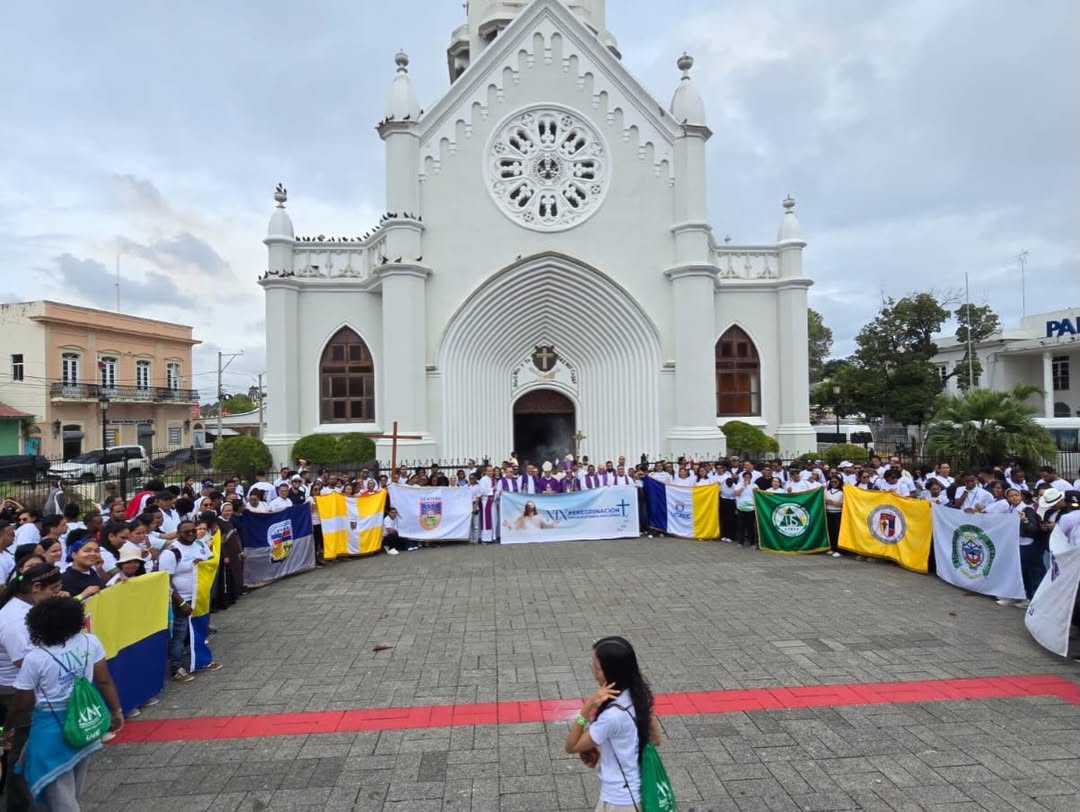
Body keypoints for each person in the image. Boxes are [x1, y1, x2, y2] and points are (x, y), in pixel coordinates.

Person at [10, 597, 124, 808]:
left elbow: (23, 702)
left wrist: (7, 727)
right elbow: (104, 680)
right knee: (74, 784)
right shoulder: (90, 642)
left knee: (59, 795)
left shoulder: (36, 658)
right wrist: (116, 711)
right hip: (85, 721)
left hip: (50, 731)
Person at [564, 636, 662, 811]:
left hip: (619, 800)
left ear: (611, 672)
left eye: (597, 668)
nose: (594, 673)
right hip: (637, 789)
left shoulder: (612, 716)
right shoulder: (639, 694)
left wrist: (586, 708)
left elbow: (571, 746)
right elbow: (656, 739)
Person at [0, 563, 63, 808]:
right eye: (54, 589)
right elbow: (26, 666)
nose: (57, 594)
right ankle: (21, 804)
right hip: (16, 693)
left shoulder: (28, 609)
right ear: (36, 587)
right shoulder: (15, 621)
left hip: (26, 689)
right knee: (23, 754)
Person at [156, 519, 216, 682]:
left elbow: (210, 564)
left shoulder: (200, 545)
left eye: (193, 531)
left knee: (199, 631)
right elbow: (166, 581)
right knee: (179, 635)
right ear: (178, 533)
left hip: (200, 598)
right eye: (186, 532)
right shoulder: (171, 552)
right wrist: (181, 602)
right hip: (181, 600)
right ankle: (177, 668)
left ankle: (201, 661)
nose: (190, 534)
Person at [59, 532, 105, 602]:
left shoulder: (92, 572)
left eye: (97, 551)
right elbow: (61, 607)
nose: (93, 554)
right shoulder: (64, 579)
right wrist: (82, 595)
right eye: (87, 551)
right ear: (74, 555)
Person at [824, 474, 844, 558]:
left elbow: (844, 504)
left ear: (839, 482)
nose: (834, 483)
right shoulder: (827, 491)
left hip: (838, 514)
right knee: (830, 532)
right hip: (829, 513)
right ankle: (832, 547)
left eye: (835, 482)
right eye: (832, 482)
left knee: (837, 532)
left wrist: (834, 503)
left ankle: (839, 549)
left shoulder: (842, 492)